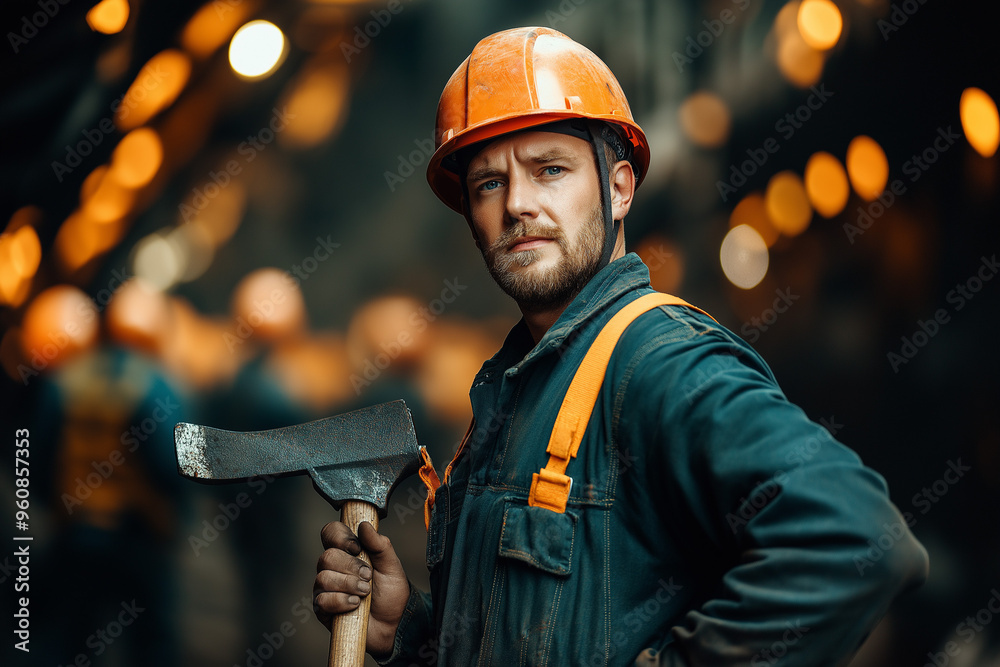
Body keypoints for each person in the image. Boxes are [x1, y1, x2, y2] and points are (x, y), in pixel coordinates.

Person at [313, 26, 928, 666]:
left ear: (620, 188)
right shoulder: (513, 388)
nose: (519, 203)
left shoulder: (659, 362)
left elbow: (858, 540)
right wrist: (406, 630)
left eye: (550, 169)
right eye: (489, 184)